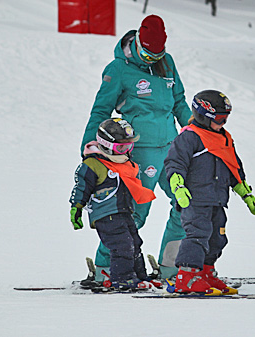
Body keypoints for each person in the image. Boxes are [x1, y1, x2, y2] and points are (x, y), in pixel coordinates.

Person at [79, 14, 192, 283]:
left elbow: (179, 101)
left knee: (187, 203)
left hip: (172, 148)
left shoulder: (167, 62)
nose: (153, 59)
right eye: (148, 54)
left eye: (158, 54)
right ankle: (105, 268)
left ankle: (171, 267)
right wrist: (89, 146)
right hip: (136, 152)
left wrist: (195, 129)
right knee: (131, 215)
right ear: (138, 42)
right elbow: (101, 110)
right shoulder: (118, 69)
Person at [164, 90, 255, 295]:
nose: (223, 123)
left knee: (217, 238)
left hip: (217, 198)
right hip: (194, 199)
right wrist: (178, 187)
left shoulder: (224, 138)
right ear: (203, 115)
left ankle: (206, 273)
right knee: (198, 235)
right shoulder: (190, 137)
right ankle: (187, 278)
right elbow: (174, 163)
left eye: (226, 118)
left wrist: (244, 191)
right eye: (219, 119)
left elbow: (233, 166)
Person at [70, 118, 156, 291]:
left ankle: (140, 276)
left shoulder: (125, 163)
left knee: (135, 243)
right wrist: (76, 207)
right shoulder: (93, 164)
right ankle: (122, 279)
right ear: (106, 144)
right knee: (122, 245)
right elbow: (81, 187)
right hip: (105, 215)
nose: (126, 151)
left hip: (123, 212)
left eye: (129, 147)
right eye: (121, 148)